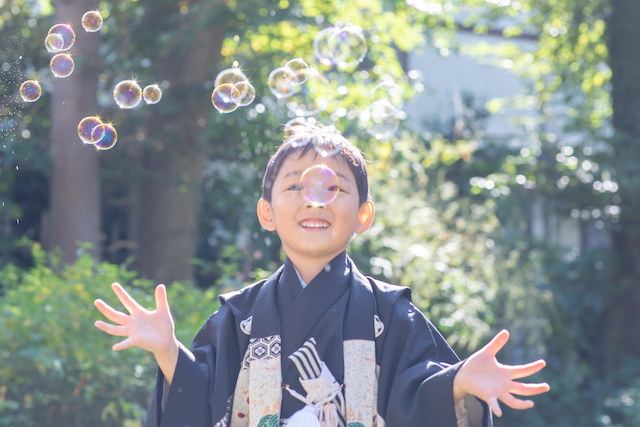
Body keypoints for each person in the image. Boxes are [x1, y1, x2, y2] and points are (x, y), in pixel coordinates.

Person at [94, 123, 550, 427]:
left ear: (364, 213)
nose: (315, 200)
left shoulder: (391, 313)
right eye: (295, 186)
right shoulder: (238, 316)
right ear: (267, 212)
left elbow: (417, 396)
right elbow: (202, 400)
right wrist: (168, 352)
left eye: (335, 188)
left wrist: (459, 384)